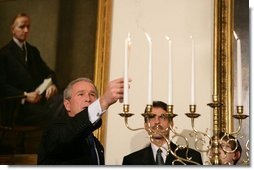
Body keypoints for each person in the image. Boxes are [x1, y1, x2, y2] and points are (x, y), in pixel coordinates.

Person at [37, 77, 126, 165]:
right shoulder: (55, 130)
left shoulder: (97, 145)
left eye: (92, 94)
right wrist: (103, 102)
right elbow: (70, 133)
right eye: (81, 94)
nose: (88, 99)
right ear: (67, 105)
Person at [0, 13, 58, 126]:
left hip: (39, 101)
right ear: (13, 29)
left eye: (28, 27)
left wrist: (52, 84)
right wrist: (25, 95)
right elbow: (1, 86)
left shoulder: (33, 51)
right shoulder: (4, 54)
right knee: (55, 113)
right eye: (22, 27)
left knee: (64, 101)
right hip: (17, 107)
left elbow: (49, 72)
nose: (26, 30)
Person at [122, 101, 203, 165]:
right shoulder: (131, 161)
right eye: (152, 117)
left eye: (162, 117)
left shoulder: (191, 157)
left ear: (171, 124)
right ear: (146, 125)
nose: (157, 122)